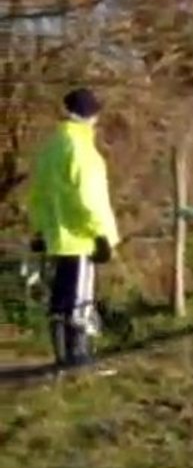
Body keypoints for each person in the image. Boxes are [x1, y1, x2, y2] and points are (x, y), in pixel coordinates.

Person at [27, 88, 119, 367]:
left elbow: (38, 195)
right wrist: (102, 234)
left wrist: (41, 230)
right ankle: (77, 357)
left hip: (57, 235)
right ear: (91, 116)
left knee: (61, 297)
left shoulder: (51, 147)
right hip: (81, 236)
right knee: (79, 299)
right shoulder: (81, 150)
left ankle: (61, 356)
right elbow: (88, 197)